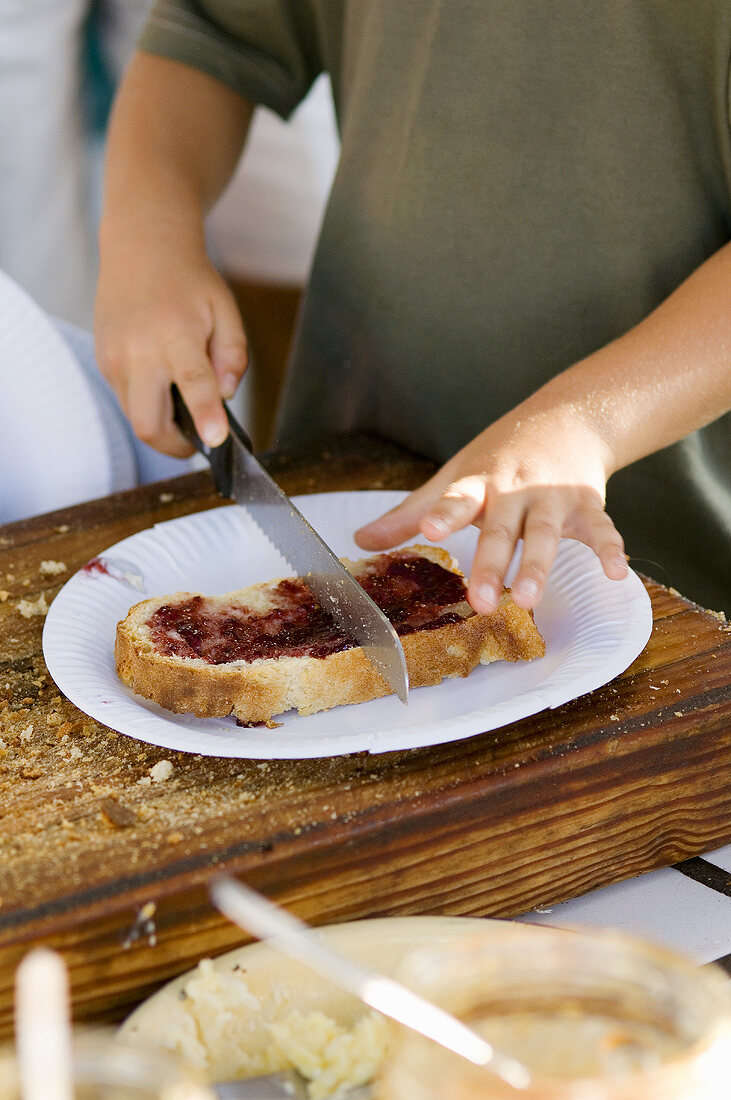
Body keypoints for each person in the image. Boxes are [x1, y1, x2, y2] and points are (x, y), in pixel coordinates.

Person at [94, 1, 731, 614]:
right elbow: (215, 35)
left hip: (670, 560)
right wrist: (147, 241)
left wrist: (587, 425)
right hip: (354, 481)